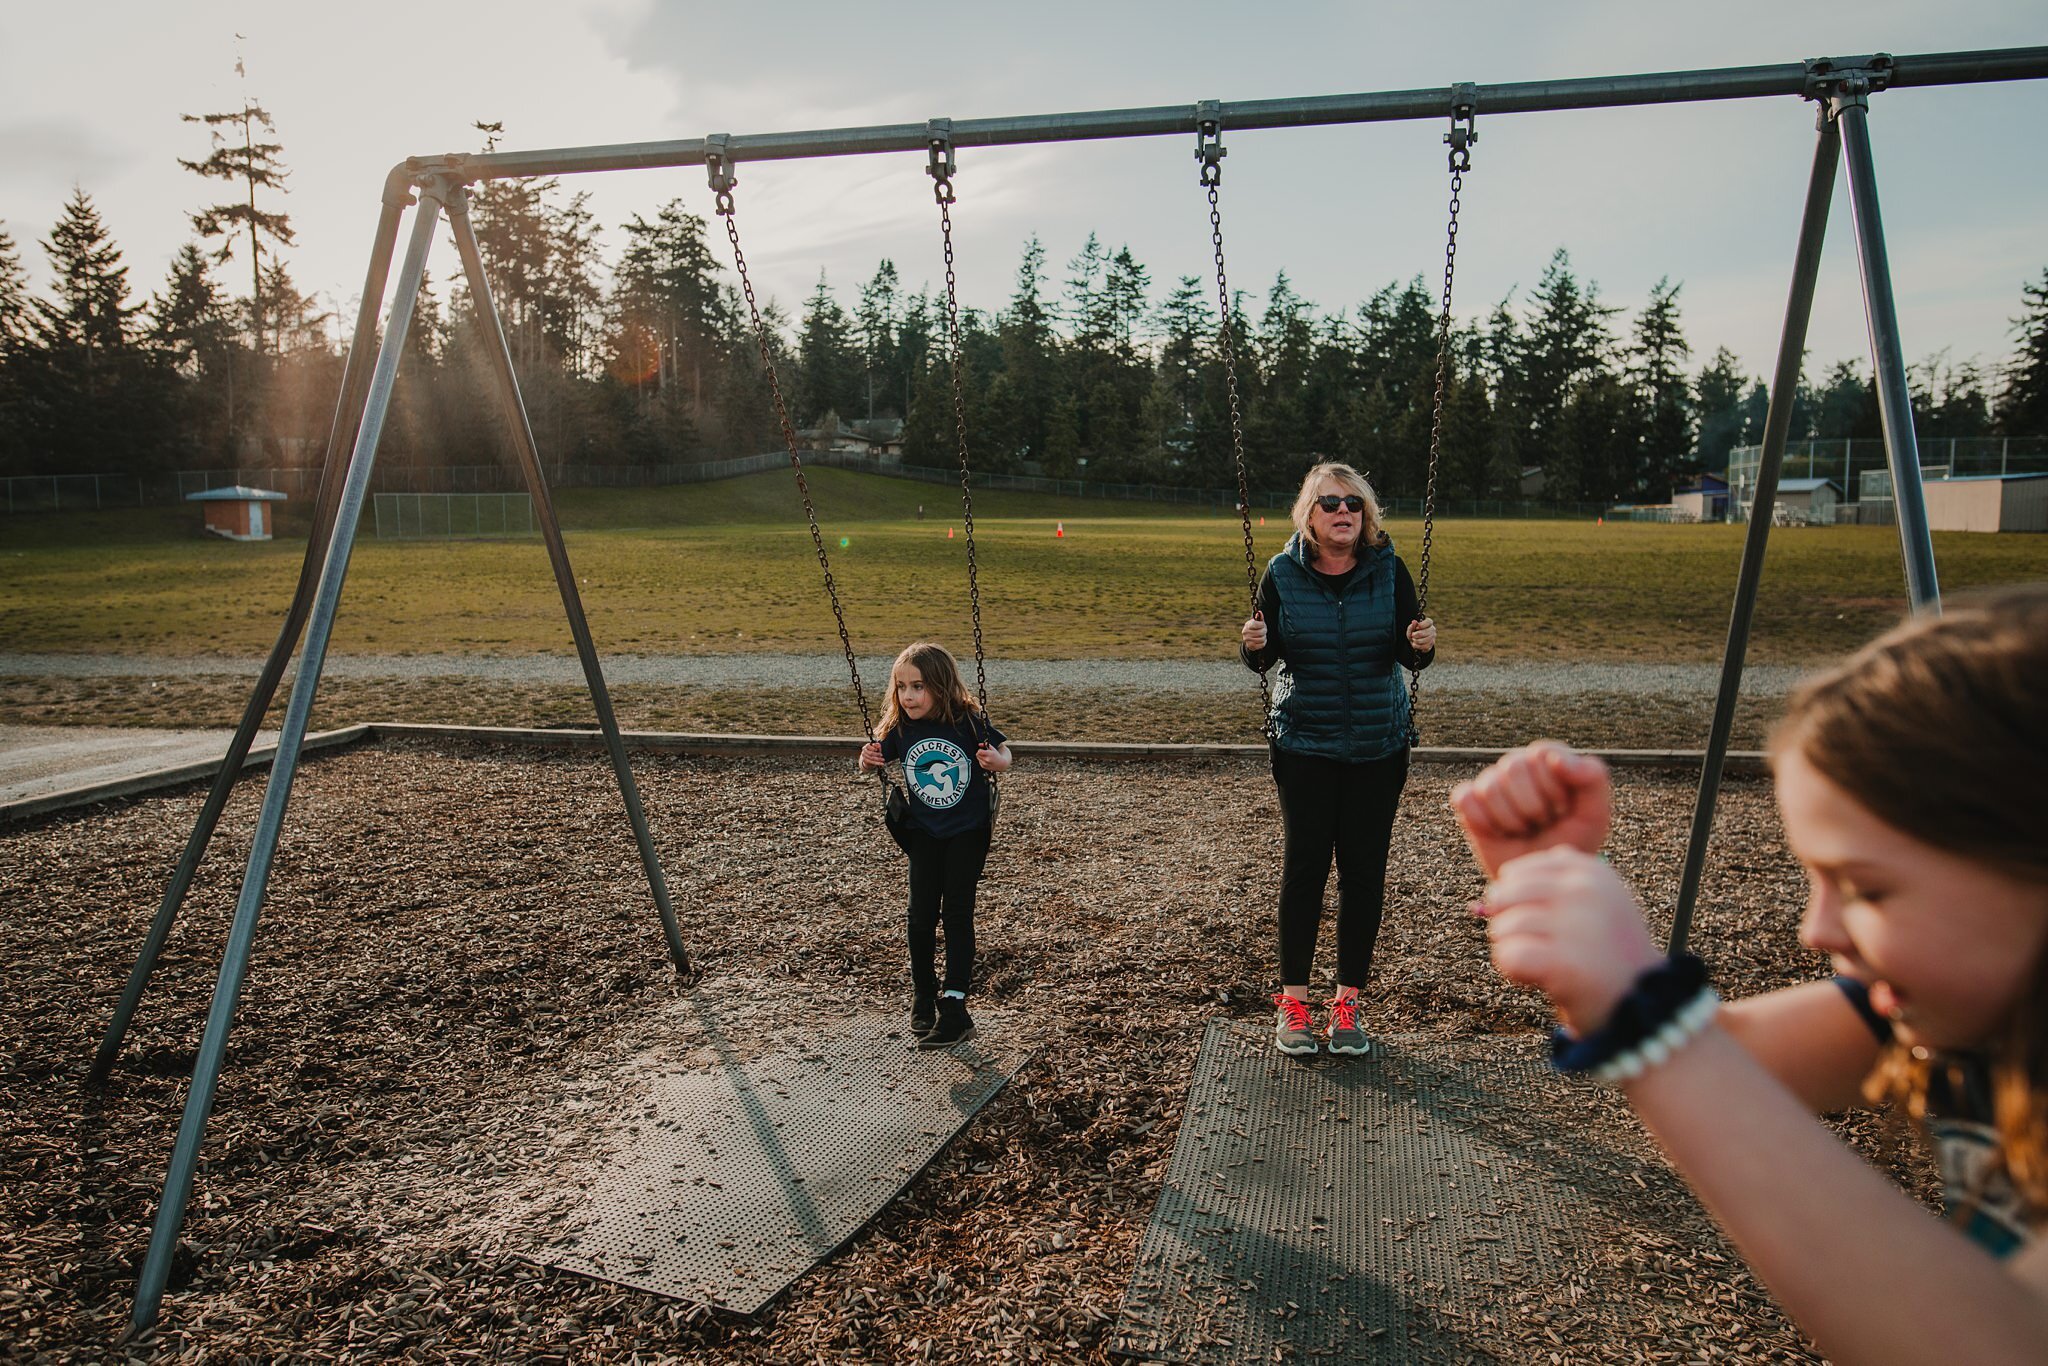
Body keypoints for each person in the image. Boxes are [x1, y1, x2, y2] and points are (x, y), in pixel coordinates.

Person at [1453, 585, 2048, 1364]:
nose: (1817, 929)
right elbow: (1734, 1068)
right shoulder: (1969, 1012)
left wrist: (1648, 1018)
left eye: (1867, 888)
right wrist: (1558, 892)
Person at [1239, 461, 1436, 1057]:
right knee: (1305, 869)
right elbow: (1264, 654)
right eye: (1330, 503)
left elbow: (1411, 651)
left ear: (1366, 514)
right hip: (1305, 742)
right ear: (1310, 513)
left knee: (1363, 871)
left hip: (1379, 744)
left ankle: (1347, 1004)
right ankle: (1294, 1001)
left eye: (1353, 503)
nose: (1343, 512)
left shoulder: (1389, 570)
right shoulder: (1281, 573)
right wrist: (1250, 647)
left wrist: (1424, 646)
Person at [859, 641, 1011, 1049]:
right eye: (902, 687)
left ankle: (955, 1003)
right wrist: (868, 758)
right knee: (921, 915)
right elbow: (874, 754)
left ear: (941, 686)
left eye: (919, 686)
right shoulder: (901, 728)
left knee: (957, 912)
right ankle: (923, 993)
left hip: (968, 831)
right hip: (923, 832)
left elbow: (1004, 751)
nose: (908, 696)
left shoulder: (967, 721)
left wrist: (1000, 762)